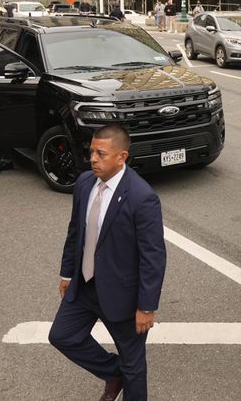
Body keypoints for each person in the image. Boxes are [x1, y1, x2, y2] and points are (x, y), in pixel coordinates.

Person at [48, 124, 166, 401]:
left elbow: (154, 256)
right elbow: (75, 232)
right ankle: (113, 372)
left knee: (134, 365)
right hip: (86, 285)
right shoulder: (84, 183)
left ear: (121, 157)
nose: (93, 159)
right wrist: (67, 273)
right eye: (92, 152)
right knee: (62, 336)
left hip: (123, 296)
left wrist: (147, 306)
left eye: (101, 154)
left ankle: (124, 374)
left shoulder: (142, 197)